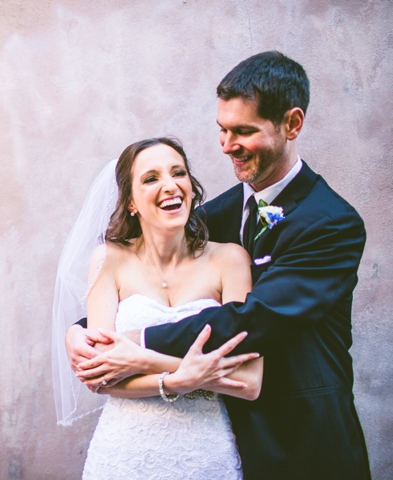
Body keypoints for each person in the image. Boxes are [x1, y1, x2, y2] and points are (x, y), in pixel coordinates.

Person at [66, 51, 371, 479]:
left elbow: (256, 317)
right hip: (226, 434)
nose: (227, 146)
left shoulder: (332, 223)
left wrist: (131, 340)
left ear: (292, 124)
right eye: (222, 130)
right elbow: (157, 281)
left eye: (243, 131)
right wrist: (81, 331)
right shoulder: (217, 213)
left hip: (302, 438)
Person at [64, 137, 263, 479]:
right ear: (130, 202)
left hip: (204, 453)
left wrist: (152, 363)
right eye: (151, 178)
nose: (170, 186)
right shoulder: (109, 260)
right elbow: (101, 376)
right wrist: (174, 382)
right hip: (124, 454)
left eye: (178, 173)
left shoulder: (229, 260)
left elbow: (248, 379)